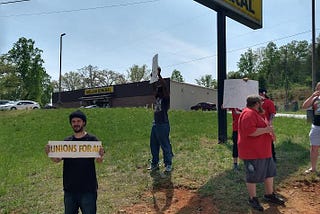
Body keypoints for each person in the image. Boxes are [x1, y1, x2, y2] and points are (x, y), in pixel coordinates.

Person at [45, 110, 105, 214]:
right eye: (73, 121)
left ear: (84, 123)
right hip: (70, 190)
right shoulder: (67, 142)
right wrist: (50, 154)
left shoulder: (92, 140)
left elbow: (99, 161)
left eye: (78, 121)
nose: (76, 124)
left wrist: (100, 155)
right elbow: (57, 160)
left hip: (88, 189)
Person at [238, 95, 284, 212]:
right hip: (253, 152)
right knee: (252, 176)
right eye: (261, 103)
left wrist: (268, 131)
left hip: (264, 151)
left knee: (269, 173)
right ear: (257, 103)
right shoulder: (248, 114)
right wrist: (266, 130)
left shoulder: (256, 113)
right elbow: (250, 131)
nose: (263, 105)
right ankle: (252, 198)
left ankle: (269, 195)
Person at [148, 66, 173, 172]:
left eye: (159, 90)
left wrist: (159, 75)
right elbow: (153, 87)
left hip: (163, 124)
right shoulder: (158, 98)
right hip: (155, 124)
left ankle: (168, 164)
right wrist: (153, 77)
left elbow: (165, 87)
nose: (157, 91)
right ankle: (155, 163)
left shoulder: (166, 98)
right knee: (153, 145)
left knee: (165, 145)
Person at [302, 82, 320, 174]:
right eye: (319, 88)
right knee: (314, 147)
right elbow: (304, 106)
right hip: (316, 126)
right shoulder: (314, 99)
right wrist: (312, 96)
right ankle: (313, 168)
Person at [259, 88, 277, 162]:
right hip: (257, 125)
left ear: (263, 94)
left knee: (269, 141)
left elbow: (272, 113)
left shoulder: (269, 102)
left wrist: (270, 122)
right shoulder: (255, 103)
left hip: (266, 125)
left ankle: (272, 157)